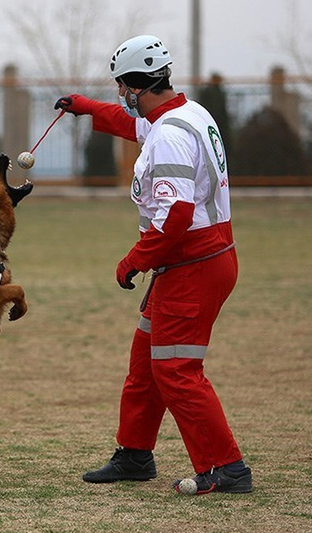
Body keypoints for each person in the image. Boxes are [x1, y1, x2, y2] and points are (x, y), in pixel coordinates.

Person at [54, 35, 252, 495]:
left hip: (193, 265)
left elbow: (176, 215)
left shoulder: (169, 136)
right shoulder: (188, 113)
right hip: (195, 261)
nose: (120, 94)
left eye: (121, 86)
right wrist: (85, 106)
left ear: (136, 86)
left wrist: (133, 261)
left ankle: (226, 468)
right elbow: (133, 125)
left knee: (177, 369)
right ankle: (134, 455)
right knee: (146, 361)